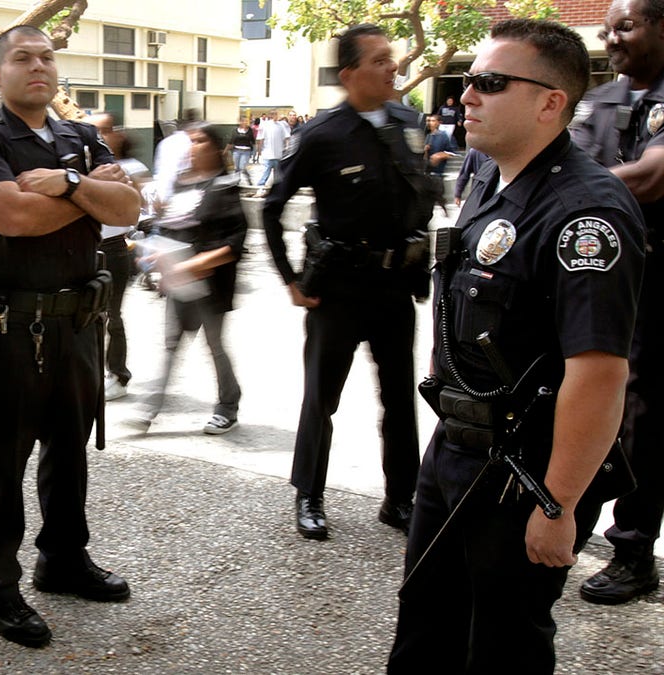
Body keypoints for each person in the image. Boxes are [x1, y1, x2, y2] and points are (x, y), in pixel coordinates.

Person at [388, 20, 646, 672]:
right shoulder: (485, 177)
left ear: (549, 102)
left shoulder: (587, 212)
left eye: (489, 83)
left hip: (523, 469)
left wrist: (557, 504)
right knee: (424, 628)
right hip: (455, 447)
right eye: (470, 80)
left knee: (503, 645)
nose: (466, 96)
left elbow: (600, 373)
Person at [0, 25, 141, 648]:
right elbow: (15, 216)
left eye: (47, 57)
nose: (37, 67)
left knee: (69, 447)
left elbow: (131, 209)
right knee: (4, 458)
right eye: (22, 58)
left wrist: (71, 184)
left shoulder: (79, 138)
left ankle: (63, 560)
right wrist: (94, 195)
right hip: (7, 326)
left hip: (78, 321)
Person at [262, 24, 433, 541]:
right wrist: (291, 279)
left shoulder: (408, 121)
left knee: (400, 398)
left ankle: (400, 499)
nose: (393, 67)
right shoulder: (321, 133)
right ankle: (309, 496)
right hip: (337, 290)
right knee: (322, 398)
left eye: (392, 59)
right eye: (380, 60)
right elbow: (272, 208)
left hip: (395, 286)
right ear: (350, 74)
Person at [569, 0, 664, 606]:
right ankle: (565, 525)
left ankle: (633, 551)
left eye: (625, 26)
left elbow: (654, 176)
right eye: (606, 29)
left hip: (657, 291)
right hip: (599, 280)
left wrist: (573, 188)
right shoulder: (600, 100)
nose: (611, 38)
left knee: (644, 425)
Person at [128, 123, 246, 435]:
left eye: (199, 141)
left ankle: (228, 406)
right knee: (170, 345)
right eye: (189, 141)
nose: (191, 147)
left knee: (215, 345)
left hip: (211, 286)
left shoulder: (224, 187)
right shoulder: (182, 184)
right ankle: (149, 409)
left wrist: (195, 263)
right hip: (180, 283)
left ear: (216, 149)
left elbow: (233, 243)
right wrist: (156, 257)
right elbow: (169, 230)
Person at [86, 112, 151, 402]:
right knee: (86, 316)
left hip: (113, 248)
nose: (100, 137)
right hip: (85, 247)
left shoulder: (127, 168)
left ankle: (118, 374)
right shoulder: (84, 168)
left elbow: (146, 203)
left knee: (112, 314)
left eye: (105, 131)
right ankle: (90, 371)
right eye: (94, 132)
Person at [424, 113, 457, 215]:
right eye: (429, 121)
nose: (430, 123)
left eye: (433, 121)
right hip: (426, 173)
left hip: (438, 173)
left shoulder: (444, 136)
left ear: (439, 123)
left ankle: (445, 210)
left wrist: (440, 155)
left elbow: (453, 152)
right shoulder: (428, 136)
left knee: (438, 195)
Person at [254, 110, 290, 195]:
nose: (275, 116)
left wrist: (287, 148)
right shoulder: (265, 125)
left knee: (278, 174)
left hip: (278, 154)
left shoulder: (281, 125)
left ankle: (277, 189)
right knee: (266, 171)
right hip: (268, 153)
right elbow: (260, 139)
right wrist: (259, 151)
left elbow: (286, 137)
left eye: (276, 114)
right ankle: (261, 186)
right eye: (273, 114)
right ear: (270, 115)